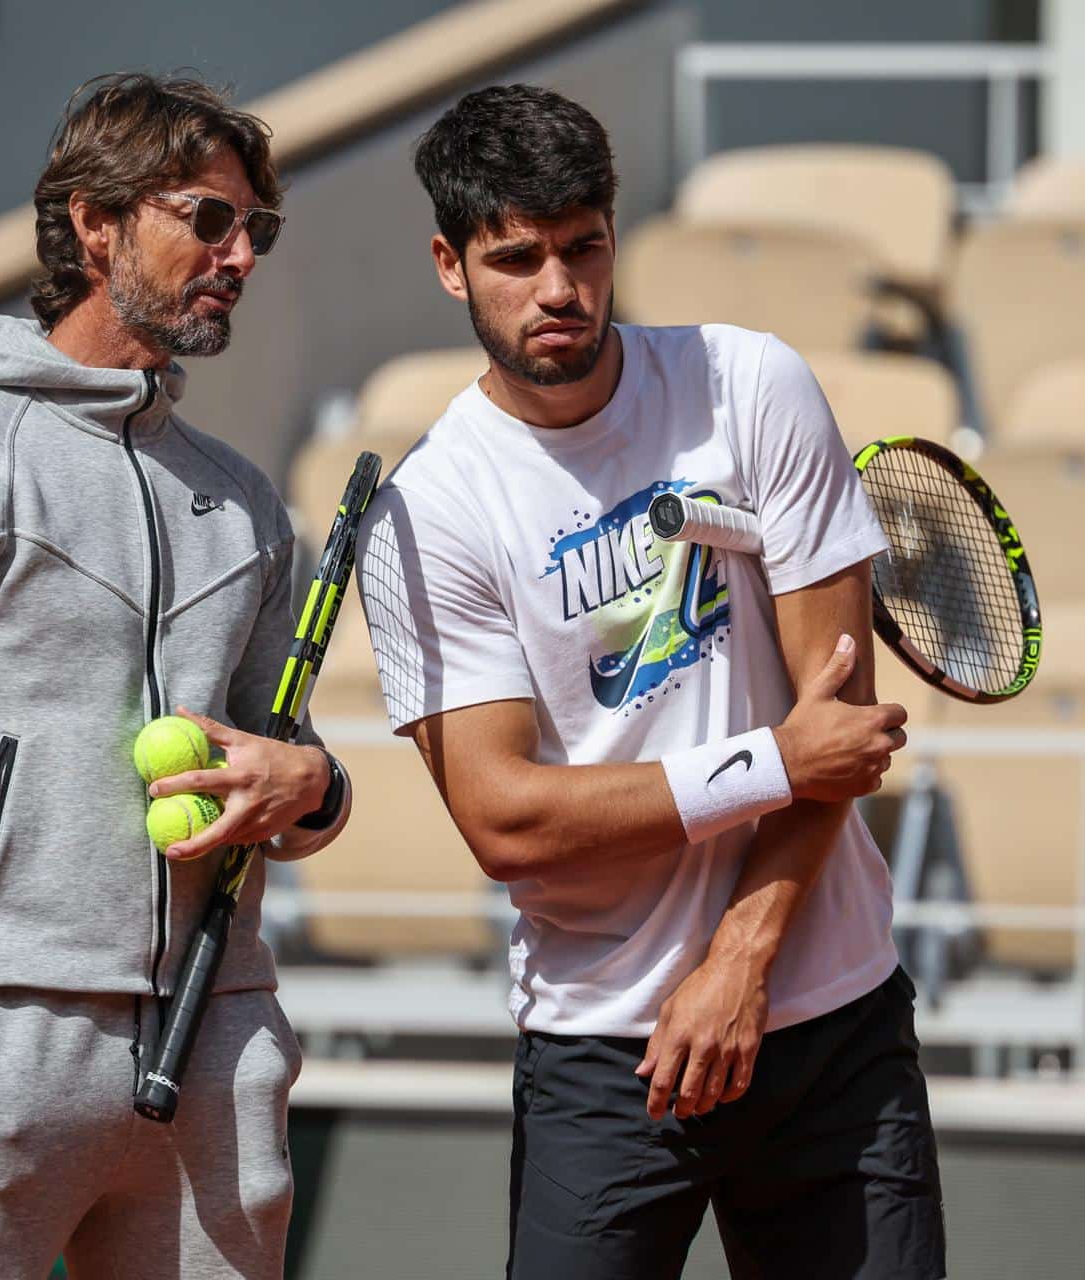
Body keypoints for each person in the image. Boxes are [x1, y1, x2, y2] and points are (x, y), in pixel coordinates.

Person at [356, 84, 944, 1278]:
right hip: (603, 1052)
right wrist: (770, 761)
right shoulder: (432, 511)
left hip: (828, 1017)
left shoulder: (752, 386)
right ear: (449, 264)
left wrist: (741, 959)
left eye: (583, 246)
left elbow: (836, 720)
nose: (559, 288)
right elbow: (506, 818)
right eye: (515, 258)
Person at [0, 73, 352, 1280]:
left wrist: (313, 785)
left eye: (257, 228)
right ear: (95, 222)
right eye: (207, 218)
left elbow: (274, 770)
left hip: (213, 1048)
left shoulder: (246, 504)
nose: (240, 253)